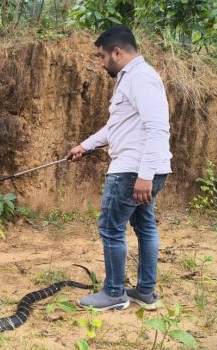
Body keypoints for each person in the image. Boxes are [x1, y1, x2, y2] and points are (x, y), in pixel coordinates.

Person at [68, 25, 172, 311]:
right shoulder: (131, 78)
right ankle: (145, 293)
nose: (101, 63)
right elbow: (117, 127)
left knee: (111, 227)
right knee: (144, 225)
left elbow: (156, 128)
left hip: (133, 171)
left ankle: (114, 294)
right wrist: (85, 146)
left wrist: (145, 176)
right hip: (141, 169)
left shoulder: (139, 78)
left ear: (117, 52)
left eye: (102, 56)